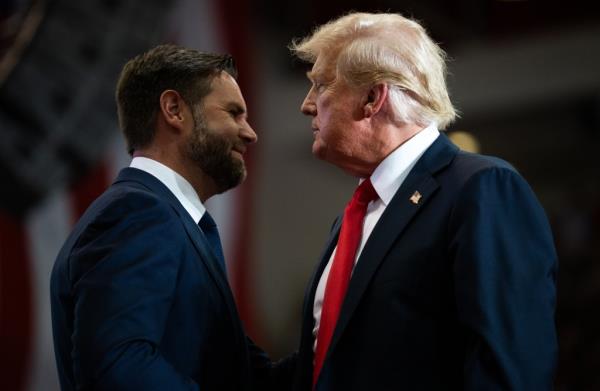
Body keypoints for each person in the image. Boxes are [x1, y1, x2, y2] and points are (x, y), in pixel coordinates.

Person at [289, 12, 558, 390]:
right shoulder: (360, 214)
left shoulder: (482, 189)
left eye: (320, 85)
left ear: (372, 97)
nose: (307, 104)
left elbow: (510, 370)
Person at [50, 44, 270, 390]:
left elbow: (246, 376)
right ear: (174, 110)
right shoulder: (138, 212)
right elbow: (119, 366)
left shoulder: (170, 219)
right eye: (233, 113)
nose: (250, 132)